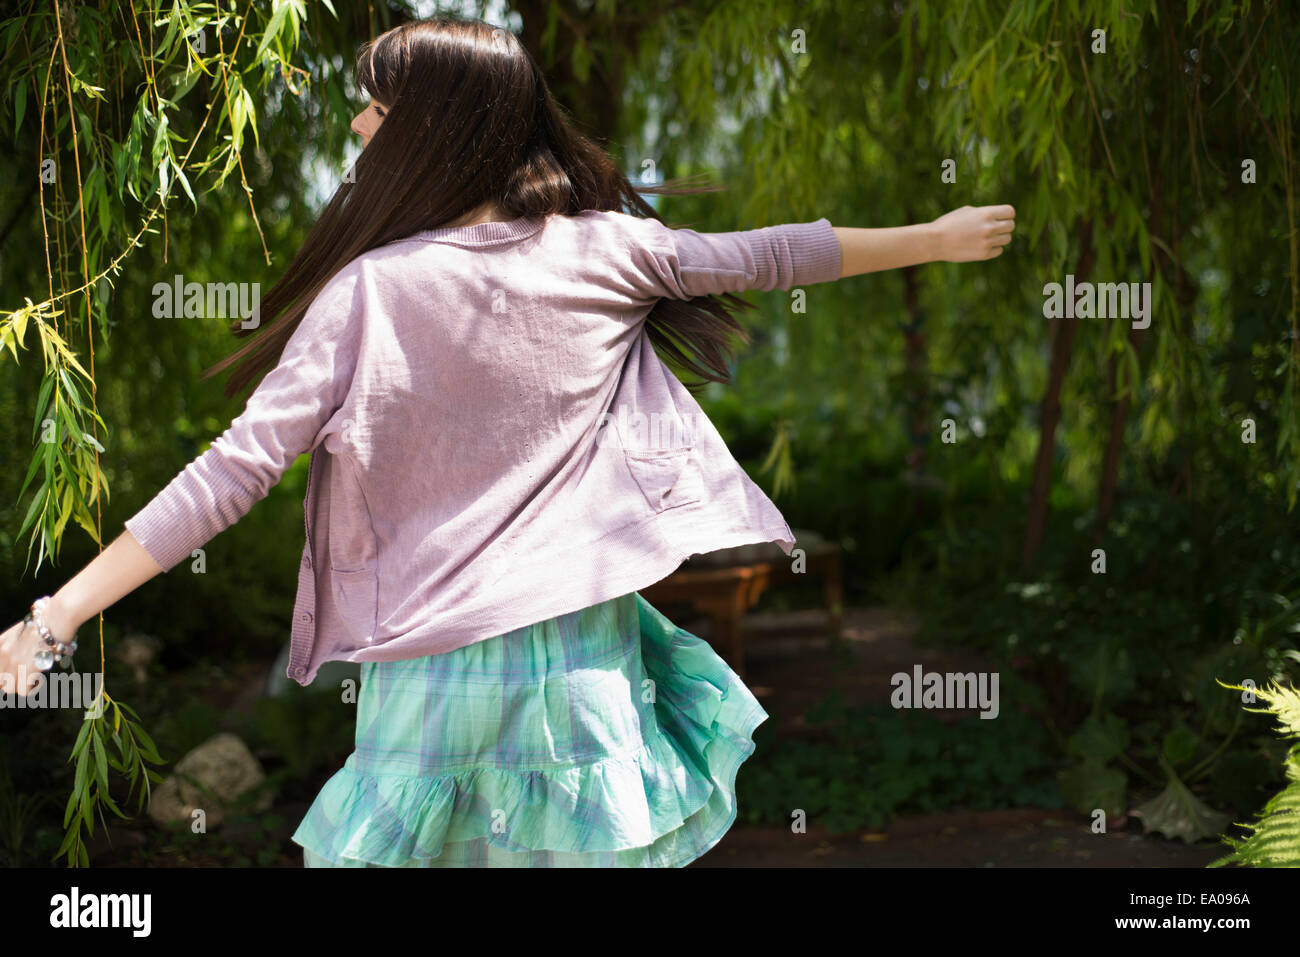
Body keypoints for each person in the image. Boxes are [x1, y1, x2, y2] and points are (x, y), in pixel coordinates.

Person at [0, 15, 1014, 867]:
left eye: (377, 108)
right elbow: (774, 254)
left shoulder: (368, 296)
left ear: (430, 132)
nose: (356, 124)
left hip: (431, 688)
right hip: (581, 669)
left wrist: (55, 615)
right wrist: (935, 237)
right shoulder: (610, 252)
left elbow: (232, 474)